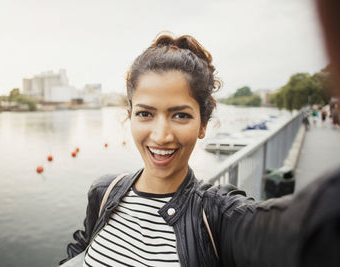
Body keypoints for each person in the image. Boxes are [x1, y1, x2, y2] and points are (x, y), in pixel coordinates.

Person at [59, 34, 340, 267]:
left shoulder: (217, 218)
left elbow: (303, 233)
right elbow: (79, 250)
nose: (161, 135)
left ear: (203, 124)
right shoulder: (105, 192)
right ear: (129, 115)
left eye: (180, 115)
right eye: (145, 114)